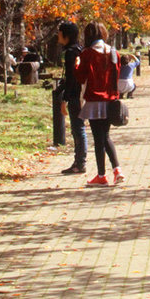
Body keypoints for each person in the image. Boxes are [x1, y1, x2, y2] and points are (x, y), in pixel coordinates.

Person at [74, 22, 123, 187]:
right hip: (110, 100)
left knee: (98, 138)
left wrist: (76, 66)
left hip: (95, 101)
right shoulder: (114, 52)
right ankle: (117, 170)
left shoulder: (87, 54)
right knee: (106, 136)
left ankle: (101, 175)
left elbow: (80, 77)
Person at [55, 22, 87, 175]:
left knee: (78, 128)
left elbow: (70, 77)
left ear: (66, 35)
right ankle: (79, 161)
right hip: (80, 93)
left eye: (59, 33)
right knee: (78, 128)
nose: (58, 36)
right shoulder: (79, 50)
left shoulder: (70, 53)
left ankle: (80, 163)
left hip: (75, 95)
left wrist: (64, 98)